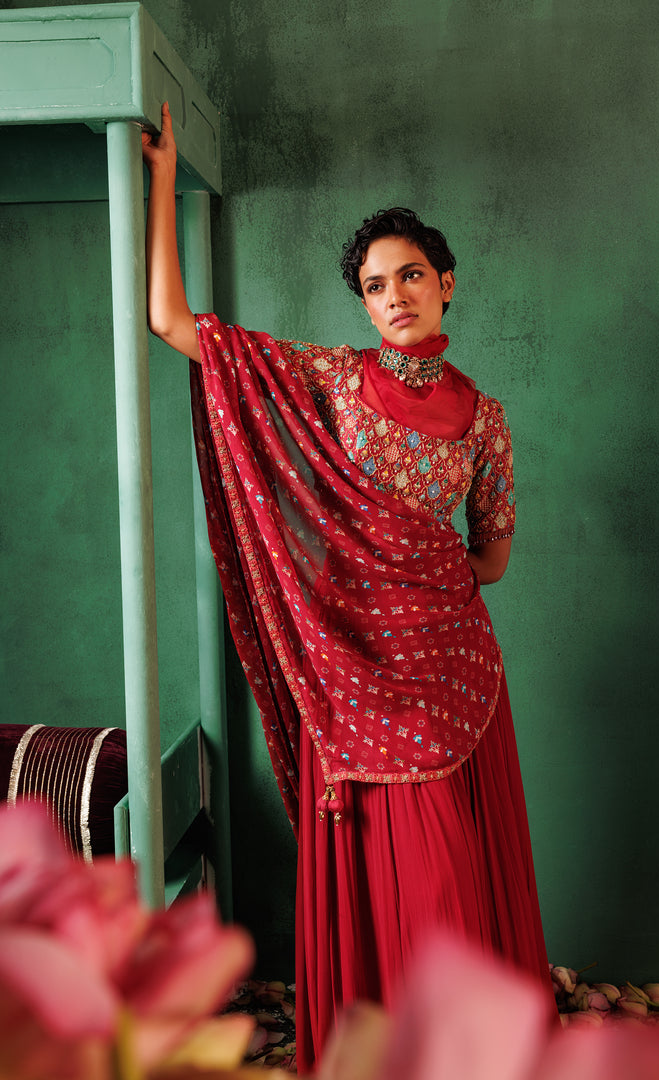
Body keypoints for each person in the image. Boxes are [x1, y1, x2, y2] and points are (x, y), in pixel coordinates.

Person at [142, 103, 552, 1074]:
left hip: (453, 677)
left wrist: (411, 564)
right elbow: (172, 324)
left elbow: (493, 560)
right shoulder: (331, 377)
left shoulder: (487, 421)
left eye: (411, 274)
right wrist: (160, 182)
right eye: (376, 286)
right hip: (354, 670)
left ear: (447, 284)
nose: (396, 294)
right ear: (363, 308)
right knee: (386, 874)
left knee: (451, 878)